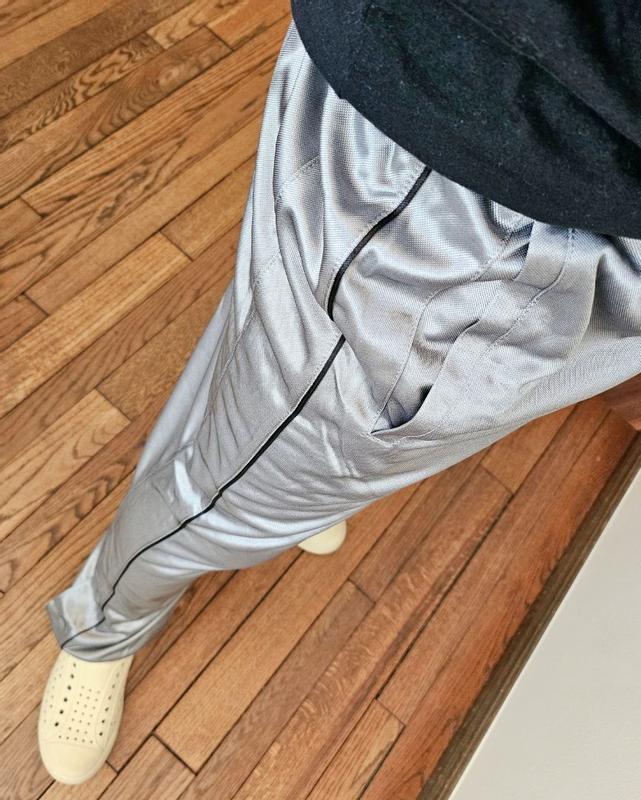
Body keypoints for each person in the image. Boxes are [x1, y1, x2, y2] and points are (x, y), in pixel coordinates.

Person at [38, 4, 641, 785]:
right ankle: (101, 622)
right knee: (228, 492)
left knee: (277, 387)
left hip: (550, 171)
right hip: (486, 179)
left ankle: (302, 477)